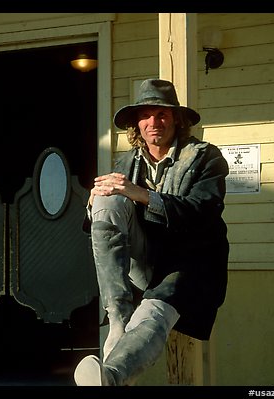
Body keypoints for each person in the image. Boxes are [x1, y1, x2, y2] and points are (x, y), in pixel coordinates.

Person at [74, 78, 230, 386]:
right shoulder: (127, 162)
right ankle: (117, 316)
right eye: (145, 115)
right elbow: (98, 230)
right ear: (136, 123)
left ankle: (111, 375)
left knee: (154, 312)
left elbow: (203, 211)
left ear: (176, 119)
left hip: (189, 265)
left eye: (161, 114)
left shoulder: (206, 158)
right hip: (144, 263)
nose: (153, 122)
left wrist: (141, 194)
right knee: (107, 197)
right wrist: (93, 204)